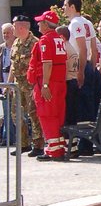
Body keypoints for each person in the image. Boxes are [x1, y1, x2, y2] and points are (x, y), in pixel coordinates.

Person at [26, 10, 68, 160]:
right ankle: (59, 147)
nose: (38, 23)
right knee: (57, 115)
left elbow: (47, 64)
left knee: (47, 115)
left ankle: (53, 150)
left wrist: (44, 85)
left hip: (48, 82)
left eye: (40, 21)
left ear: (45, 24)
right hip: (59, 82)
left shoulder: (45, 40)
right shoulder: (59, 39)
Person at [63, 0, 100, 154]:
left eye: (65, 5)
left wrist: (81, 71)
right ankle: (88, 144)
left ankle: (84, 145)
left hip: (80, 67)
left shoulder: (75, 24)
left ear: (72, 6)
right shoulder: (87, 22)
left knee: (81, 106)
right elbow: (93, 47)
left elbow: (82, 49)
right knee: (88, 105)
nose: (63, 8)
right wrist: (92, 66)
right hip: (89, 67)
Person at [8, 13, 43, 157]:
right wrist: (9, 83)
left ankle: (38, 144)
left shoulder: (35, 43)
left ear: (22, 27)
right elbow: (13, 65)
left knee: (34, 115)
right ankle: (23, 143)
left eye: (14, 26)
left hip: (31, 85)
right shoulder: (16, 43)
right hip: (18, 85)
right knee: (16, 114)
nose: (12, 28)